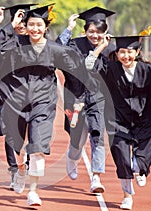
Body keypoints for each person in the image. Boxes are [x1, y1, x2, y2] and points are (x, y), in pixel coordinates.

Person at [0, 4, 85, 206]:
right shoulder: (16, 43)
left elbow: (73, 73)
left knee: (38, 147)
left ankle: (33, 191)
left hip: (42, 103)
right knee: (16, 145)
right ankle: (18, 169)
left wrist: (78, 98)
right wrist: (11, 25)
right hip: (15, 103)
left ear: (45, 27)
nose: (34, 29)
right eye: (31, 24)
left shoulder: (56, 50)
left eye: (38, 25)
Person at [85, 35, 151, 210]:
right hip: (119, 120)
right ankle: (127, 196)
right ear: (116, 54)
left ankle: (140, 167)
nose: (126, 56)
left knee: (138, 160)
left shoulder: (149, 70)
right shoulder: (110, 70)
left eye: (130, 52)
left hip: (146, 119)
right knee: (121, 156)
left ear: (138, 52)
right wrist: (102, 46)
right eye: (122, 52)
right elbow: (89, 66)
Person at [56, 6, 115, 193]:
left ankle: (96, 178)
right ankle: (72, 157)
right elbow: (57, 51)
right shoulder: (75, 44)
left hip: (97, 97)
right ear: (85, 31)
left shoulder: (110, 49)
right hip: (75, 96)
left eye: (99, 32)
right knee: (77, 138)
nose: (94, 36)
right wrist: (68, 28)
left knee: (97, 135)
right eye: (91, 31)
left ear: (105, 32)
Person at [0, 3, 37, 190]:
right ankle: (15, 170)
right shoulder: (8, 41)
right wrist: (8, 25)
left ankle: (25, 164)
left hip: (33, 97)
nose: (22, 25)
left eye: (24, 21)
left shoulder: (36, 41)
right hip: (9, 96)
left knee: (32, 135)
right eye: (18, 21)